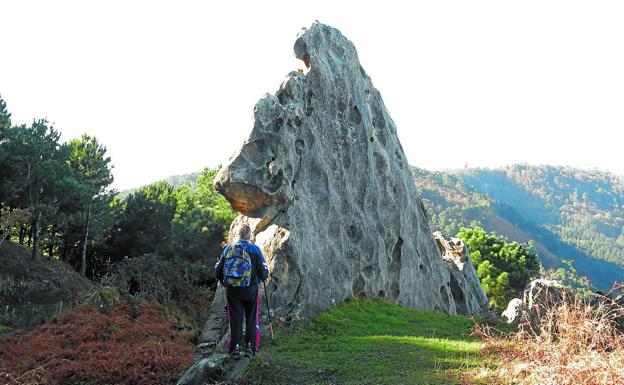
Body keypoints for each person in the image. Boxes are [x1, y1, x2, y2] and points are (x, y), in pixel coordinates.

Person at [215, 223, 269, 359]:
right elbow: (263, 272)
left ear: (237, 235)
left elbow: (217, 271)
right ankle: (250, 348)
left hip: (233, 291)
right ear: (249, 235)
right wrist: (262, 277)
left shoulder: (228, 249)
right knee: (251, 318)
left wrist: (224, 282)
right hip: (250, 290)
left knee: (235, 319)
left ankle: (235, 348)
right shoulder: (255, 249)